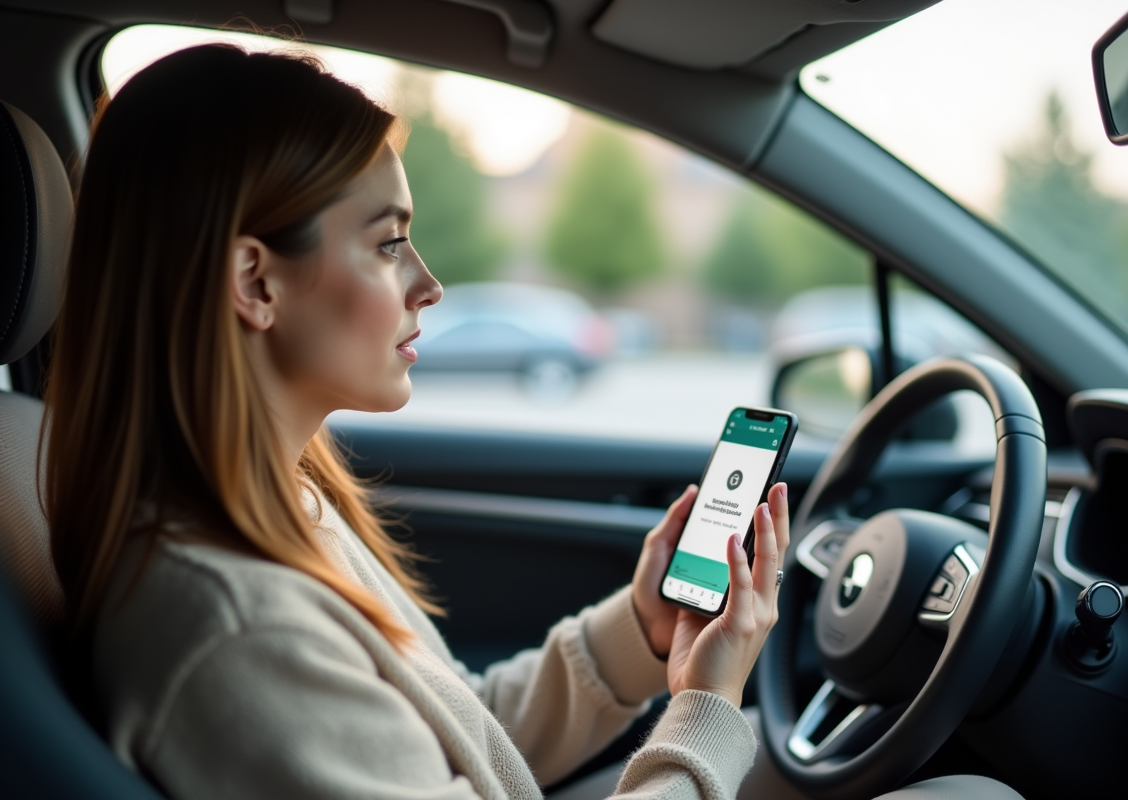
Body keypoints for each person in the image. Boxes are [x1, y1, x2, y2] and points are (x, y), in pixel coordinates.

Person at [44, 43, 790, 800]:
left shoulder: (285, 511)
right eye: (388, 242)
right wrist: (708, 710)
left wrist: (642, 630)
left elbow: (459, 736)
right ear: (254, 281)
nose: (429, 285)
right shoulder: (239, 629)